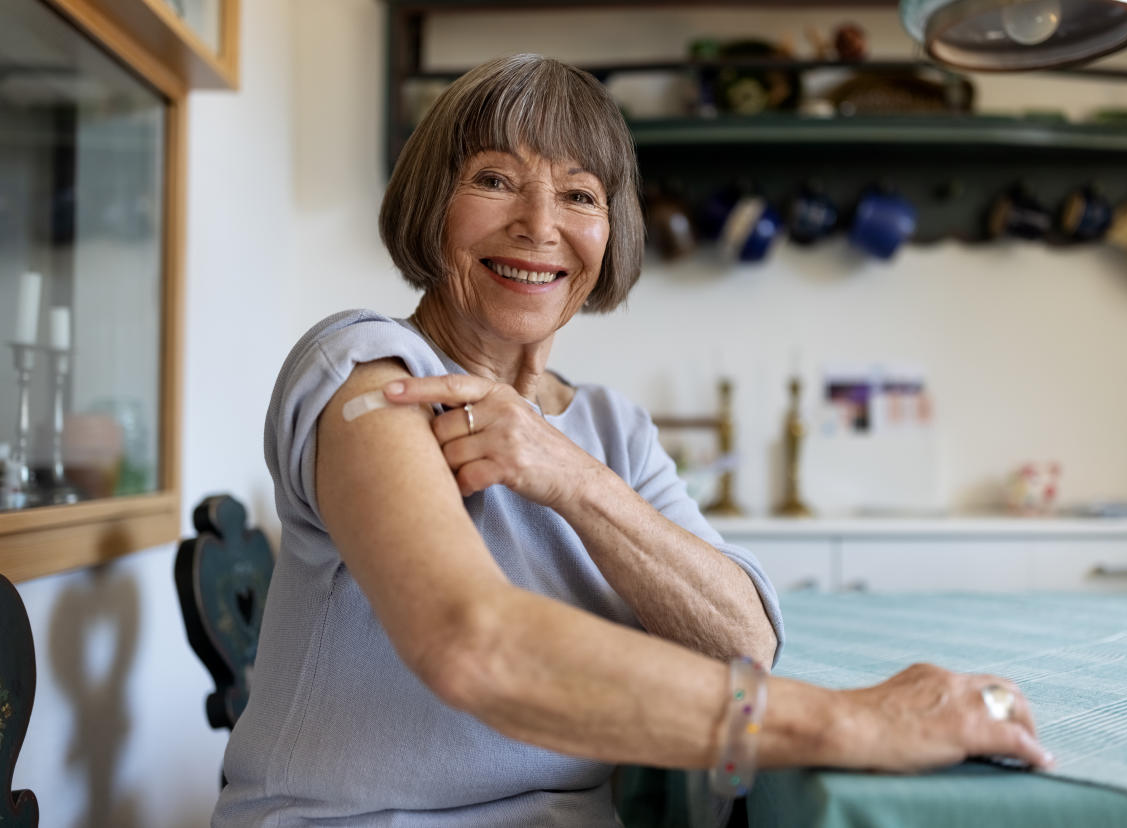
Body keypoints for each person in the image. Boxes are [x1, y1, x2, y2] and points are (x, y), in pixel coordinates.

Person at [212, 53, 1051, 826]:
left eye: (579, 194)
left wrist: (570, 475)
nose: (539, 225)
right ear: (432, 207)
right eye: (495, 179)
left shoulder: (610, 428)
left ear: (609, 232)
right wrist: (854, 720)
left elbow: (742, 641)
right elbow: (471, 644)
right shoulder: (367, 372)